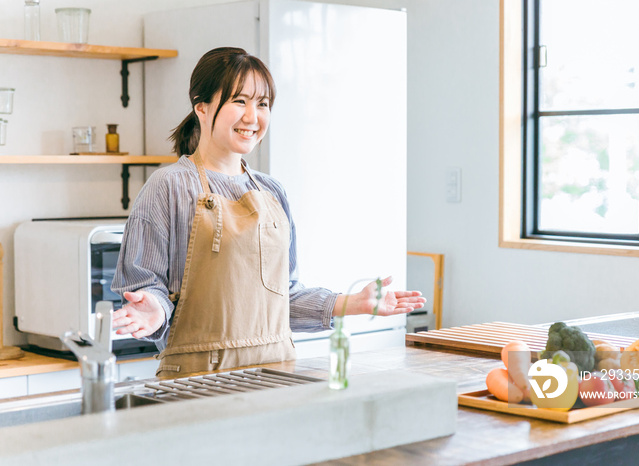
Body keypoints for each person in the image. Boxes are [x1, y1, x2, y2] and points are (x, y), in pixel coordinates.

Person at [111, 47, 425, 378]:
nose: (252, 116)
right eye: (239, 101)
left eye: (262, 104)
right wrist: (154, 310)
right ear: (201, 106)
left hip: (276, 375)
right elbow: (146, 282)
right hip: (198, 383)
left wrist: (353, 303)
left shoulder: (272, 192)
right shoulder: (169, 186)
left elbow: (282, 297)